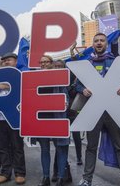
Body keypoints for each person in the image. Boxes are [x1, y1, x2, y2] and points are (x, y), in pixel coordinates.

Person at [76, 33, 120, 186]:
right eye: (96, 41)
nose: (99, 43)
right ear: (93, 44)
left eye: (102, 40)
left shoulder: (115, 61)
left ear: (106, 43)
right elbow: (77, 85)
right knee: (91, 147)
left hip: (112, 110)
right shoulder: (87, 63)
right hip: (94, 111)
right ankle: (86, 179)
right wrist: (83, 89)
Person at [37, 56, 70, 186]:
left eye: (47, 62)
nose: (44, 64)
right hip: (41, 119)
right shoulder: (35, 78)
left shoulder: (58, 78)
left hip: (57, 117)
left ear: (51, 64)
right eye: (42, 62)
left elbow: (65, 95)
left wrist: (65, 102)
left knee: (61, 148)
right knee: (44, 149)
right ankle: (46, 178)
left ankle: (61, 177)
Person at [0, 53, 26, 185]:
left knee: (17, 146)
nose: (6, 62)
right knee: (2, 147)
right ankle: (5, 172)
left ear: (16, 61)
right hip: (0, 118)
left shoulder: (21, 74)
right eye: (5, 60)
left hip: (14, 117)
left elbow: (24, 89)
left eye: (9, 60)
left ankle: (19, 173)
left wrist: (7, 87)